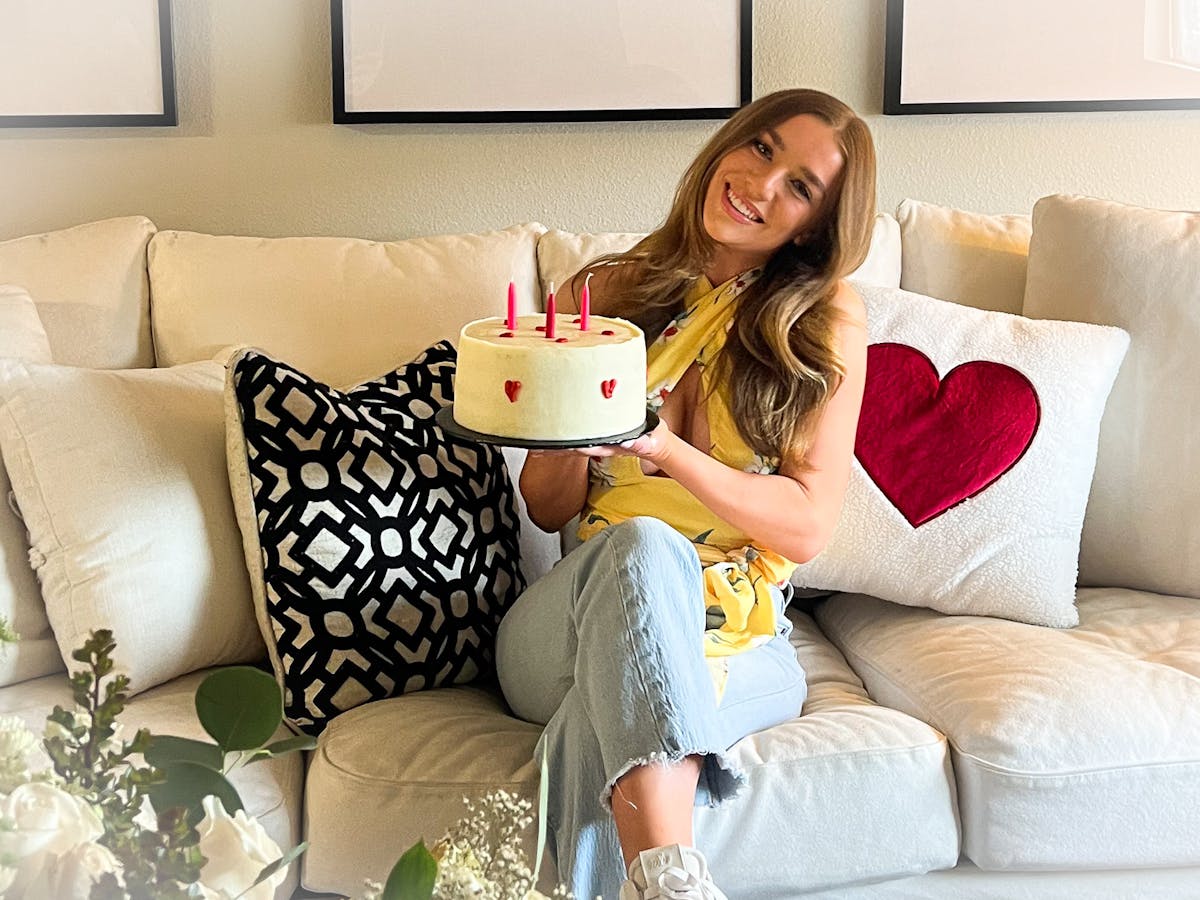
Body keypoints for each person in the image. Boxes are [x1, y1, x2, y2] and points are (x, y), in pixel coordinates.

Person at [495, 88, 876, 900]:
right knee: (641, 545)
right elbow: (549, 507)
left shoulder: (824, 318)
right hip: (566, 622)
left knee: (594, 725)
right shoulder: (600, 293)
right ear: (729, 143)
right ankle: (672, 881)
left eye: (801, 186)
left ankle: (658, 876)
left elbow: (808, 526)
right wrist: (570, 430)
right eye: (763, 149)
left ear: (814, 223)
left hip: (740, 632)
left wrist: (661, 449)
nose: (762, 184)